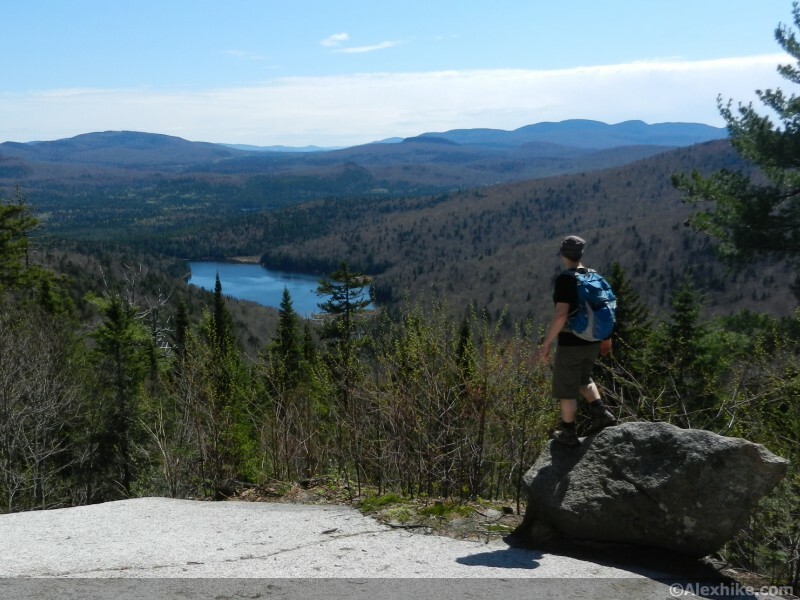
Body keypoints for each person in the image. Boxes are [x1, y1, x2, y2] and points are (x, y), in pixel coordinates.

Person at [539, 235, 617, 447]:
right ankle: (601, 413)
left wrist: (547, 343)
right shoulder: (595, 277)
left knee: (567, 389)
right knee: (584, 379)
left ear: (563, 254)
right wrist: (606, 338)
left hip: (572, 342)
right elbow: (605, 308)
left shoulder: (566, 280)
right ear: (581, 254)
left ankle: (568, 433)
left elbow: (561, 315)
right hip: (594, 341)